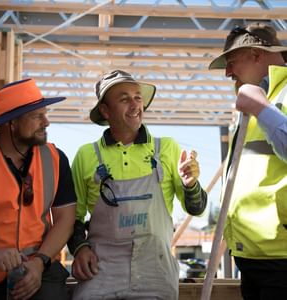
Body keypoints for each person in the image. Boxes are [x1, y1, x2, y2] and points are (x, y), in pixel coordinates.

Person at [67, 69, 207, 300]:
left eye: (138, 97)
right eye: (124, 99)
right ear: (105, 110)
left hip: (155, 271)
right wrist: (80, 249)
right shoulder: (86, 155)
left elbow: (197, 208)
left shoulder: (167, 149)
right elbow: (73, 217)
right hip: (101, 271)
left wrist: (191, 184)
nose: (135, 105)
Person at [209, 22, 287, 299]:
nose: (228, 73)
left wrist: (262, 109)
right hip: (256, 255)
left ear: (256, 54)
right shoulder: (264, 97)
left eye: (231, 62)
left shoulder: (277, 95)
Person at [0, 78, 77, 300]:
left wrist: (39, 261)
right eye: (37, 116)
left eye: (45, 114)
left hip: (40, 267)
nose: (46, 122)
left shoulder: (56, 158)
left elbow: (65, 219)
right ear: (12, 123)